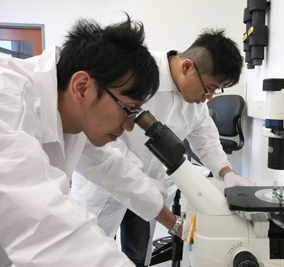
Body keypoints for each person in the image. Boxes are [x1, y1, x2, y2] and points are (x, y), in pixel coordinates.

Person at [0, 14, 182, 267]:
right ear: (83, 87)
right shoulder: (10, 108)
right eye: (128, 108)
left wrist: (176, 225)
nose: (129, 126)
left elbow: (115, 170)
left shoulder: (72, 113)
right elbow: (49, 232)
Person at [71, 28, 253, 266]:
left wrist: (226, 171)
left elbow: (206, 139)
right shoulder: (141, 72)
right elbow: (106, 143)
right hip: (104, 183)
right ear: (187, 67)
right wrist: (142, 182)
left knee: (136, 253)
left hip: (151, 190)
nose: (208, 97)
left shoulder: (195, 102)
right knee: (91, 250)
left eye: (215, 91)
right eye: (208, 88)